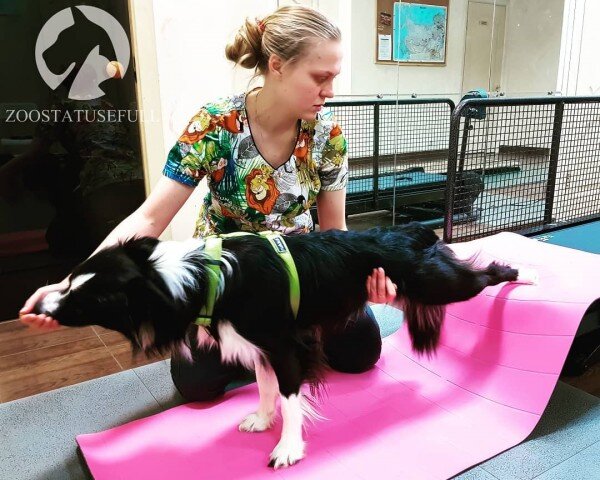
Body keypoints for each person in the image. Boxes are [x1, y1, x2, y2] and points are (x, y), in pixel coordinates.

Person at [19, 5, 397, 402]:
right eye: (320, 77)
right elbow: (150, 218)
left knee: (361, 351)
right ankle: (264, 342)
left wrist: (361, 279)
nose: (330, 91)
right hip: (226, 280)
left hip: (298, 271)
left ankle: (273, 339)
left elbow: (335, 231)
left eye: (333, 77)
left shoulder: (326, 135)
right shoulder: (216, 124)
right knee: (196, 384)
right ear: (277, 65)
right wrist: (72, 283)